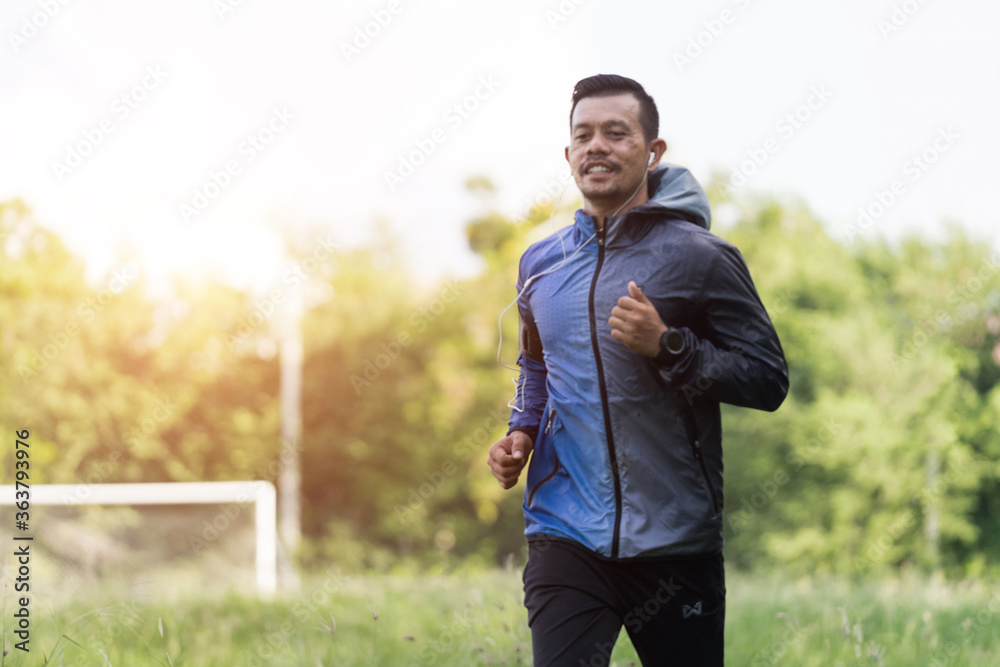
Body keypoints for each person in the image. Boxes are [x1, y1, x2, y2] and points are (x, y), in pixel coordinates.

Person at [487, 74, 789, 666]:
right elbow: (536, 363)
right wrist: (522, 428)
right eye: (584, 135)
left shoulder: (701, 257)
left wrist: (669, 346)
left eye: (616, 132)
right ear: (568, 153)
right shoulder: (539, 263)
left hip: (676, 541)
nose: (597, 145)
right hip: (564, 530)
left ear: (653, 152)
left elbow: (766, 379)